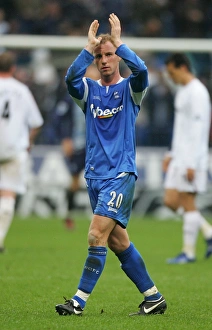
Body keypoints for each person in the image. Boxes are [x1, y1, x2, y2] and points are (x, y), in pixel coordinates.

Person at [55, 13, 167, 316]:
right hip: (94, 176)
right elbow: (70, 80)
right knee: (118, 242)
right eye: (99, 56)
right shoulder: (88, 91)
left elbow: (142, 70)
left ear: (117, 58)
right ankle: (153, 297)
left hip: (120, 174)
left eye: (109, 55)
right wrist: (86, 49)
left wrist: (120, 43)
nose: (104, 60)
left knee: (95, 234)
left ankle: (77, 302)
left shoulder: (131, 90)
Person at [163, 53, 212, 264]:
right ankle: (208, 231)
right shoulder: (182, 92)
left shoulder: (198, 92)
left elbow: (199, 130)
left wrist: (192, 162)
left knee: (187, 202)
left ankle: (188, 252)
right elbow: (181, 128)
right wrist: (171, 153)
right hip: (180, 156)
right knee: (171, 201)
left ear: (182, 68)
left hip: (193, 158)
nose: (170, 77)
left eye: (172, 72)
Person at [0, 51, 43, 252]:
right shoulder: (22, 90)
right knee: (8, 194)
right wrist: (28, 141)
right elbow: (36, 122)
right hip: (13, 149)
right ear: (13, 68)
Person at [52, 91, 86, 229]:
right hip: (77, 144)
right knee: (75, 182)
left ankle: (103, 217)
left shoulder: (103, 94)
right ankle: (69, 215)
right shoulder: (71, 97)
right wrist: (64, 138)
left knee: (100, 180)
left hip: (96, 145)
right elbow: (57, 119)